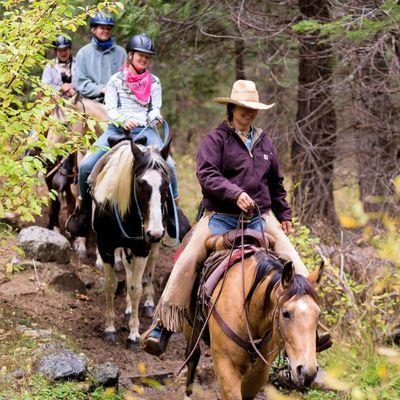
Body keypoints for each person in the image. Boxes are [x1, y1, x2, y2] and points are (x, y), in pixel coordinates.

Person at [141, 80, 311, 356]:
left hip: (260, 216)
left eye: (253, 108)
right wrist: (235, 194)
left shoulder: (264, 141)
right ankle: (163, 324)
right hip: (221, 216)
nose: (249, 113)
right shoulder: (216, 139)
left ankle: (310, 329)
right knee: (189, 257)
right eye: (244, 108)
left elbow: (276, 182)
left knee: (296, 263)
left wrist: (285, 214)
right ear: (231, 108)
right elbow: (206, 174)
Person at [66, 33, 179, 237]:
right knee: (85, 165)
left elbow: (154, 107)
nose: (143, 59)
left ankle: (173, 211)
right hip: (116, 130)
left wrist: (156, 115)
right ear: (130, 55)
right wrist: (122, 120)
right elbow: (110, 108)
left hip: (146, 130)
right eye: (140, 55)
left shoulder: (154, 82)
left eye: (147, 56)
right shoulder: (115, 81)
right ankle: (82, 211)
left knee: (169, 165)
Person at [73, 11, 126, 102]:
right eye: (102, 28)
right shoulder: (83, 54)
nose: (105, 31)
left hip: (117, 102)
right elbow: (81, 84)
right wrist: (100, 90)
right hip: (90, 104)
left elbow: (127, 80)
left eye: (108, 28)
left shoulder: (121, 53)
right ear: (93, 30)